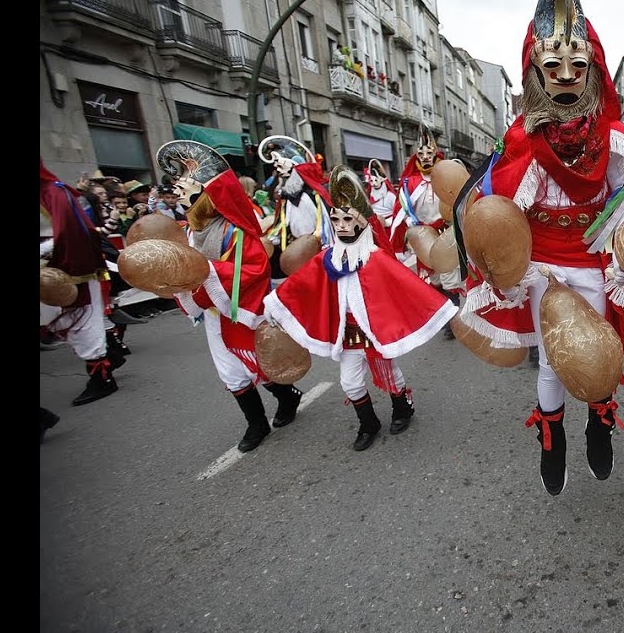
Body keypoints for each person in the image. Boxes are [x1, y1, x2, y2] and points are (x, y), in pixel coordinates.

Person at [451, 0, 624, 496]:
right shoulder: (517, 145)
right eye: (552, 67)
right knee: (552, 360)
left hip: (595, 262)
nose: (566, 77)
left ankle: (597, 418)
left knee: (598, 352)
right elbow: (499, 214)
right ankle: (553, 435)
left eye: (577, 66)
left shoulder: (617, 144)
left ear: (592, 69)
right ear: (535, 73)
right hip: (543, 266)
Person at [263, 166, 457, 451]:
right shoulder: (328, 257)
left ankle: (402, 407)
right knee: (350, 383)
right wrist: (275, 303)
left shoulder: (375, 258)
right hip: (347, 334)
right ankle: (368, 423)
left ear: (360, 223)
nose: (341, 225)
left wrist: (440, 308)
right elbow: (300, 284)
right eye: (336, 219)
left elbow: (407, 285)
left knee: (390, 375)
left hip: (374, 332)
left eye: (347, 219)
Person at [158, 140, 306, 453]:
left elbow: (255, 269)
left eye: (186, 187)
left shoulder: (235, 231)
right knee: (230, 371)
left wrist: (206, 270)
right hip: (214, 313)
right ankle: (257, 423)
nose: (179, 193)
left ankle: (287, 395)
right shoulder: (188, 231)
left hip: (240, 309)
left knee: (259, 366)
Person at [40, 161, 125, 406]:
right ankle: (111, 354)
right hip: (54, 269)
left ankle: (102, 377)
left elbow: (71, 234)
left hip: (72, 269)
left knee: (82, 322)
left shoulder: (54, 192)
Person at [388, 126, 462, 338]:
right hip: (423, 234)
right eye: (421, 154)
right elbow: (401, 210)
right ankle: (442, 316)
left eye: (429, 153)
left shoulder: (445, 176)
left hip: (445, 232)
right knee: (432, 278)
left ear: (436, 154)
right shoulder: (409, 183)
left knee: (450, 276)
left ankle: (452, 321)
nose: (426, 158)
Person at [260, 135, 335, 277]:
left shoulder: (311, 196)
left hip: (313, 251)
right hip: (295, 252)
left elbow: (324, 228)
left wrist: (313, 244)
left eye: (281, 165)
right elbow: (283, 223)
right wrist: (271, 239)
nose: (278, 169)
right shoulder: (288, 197)